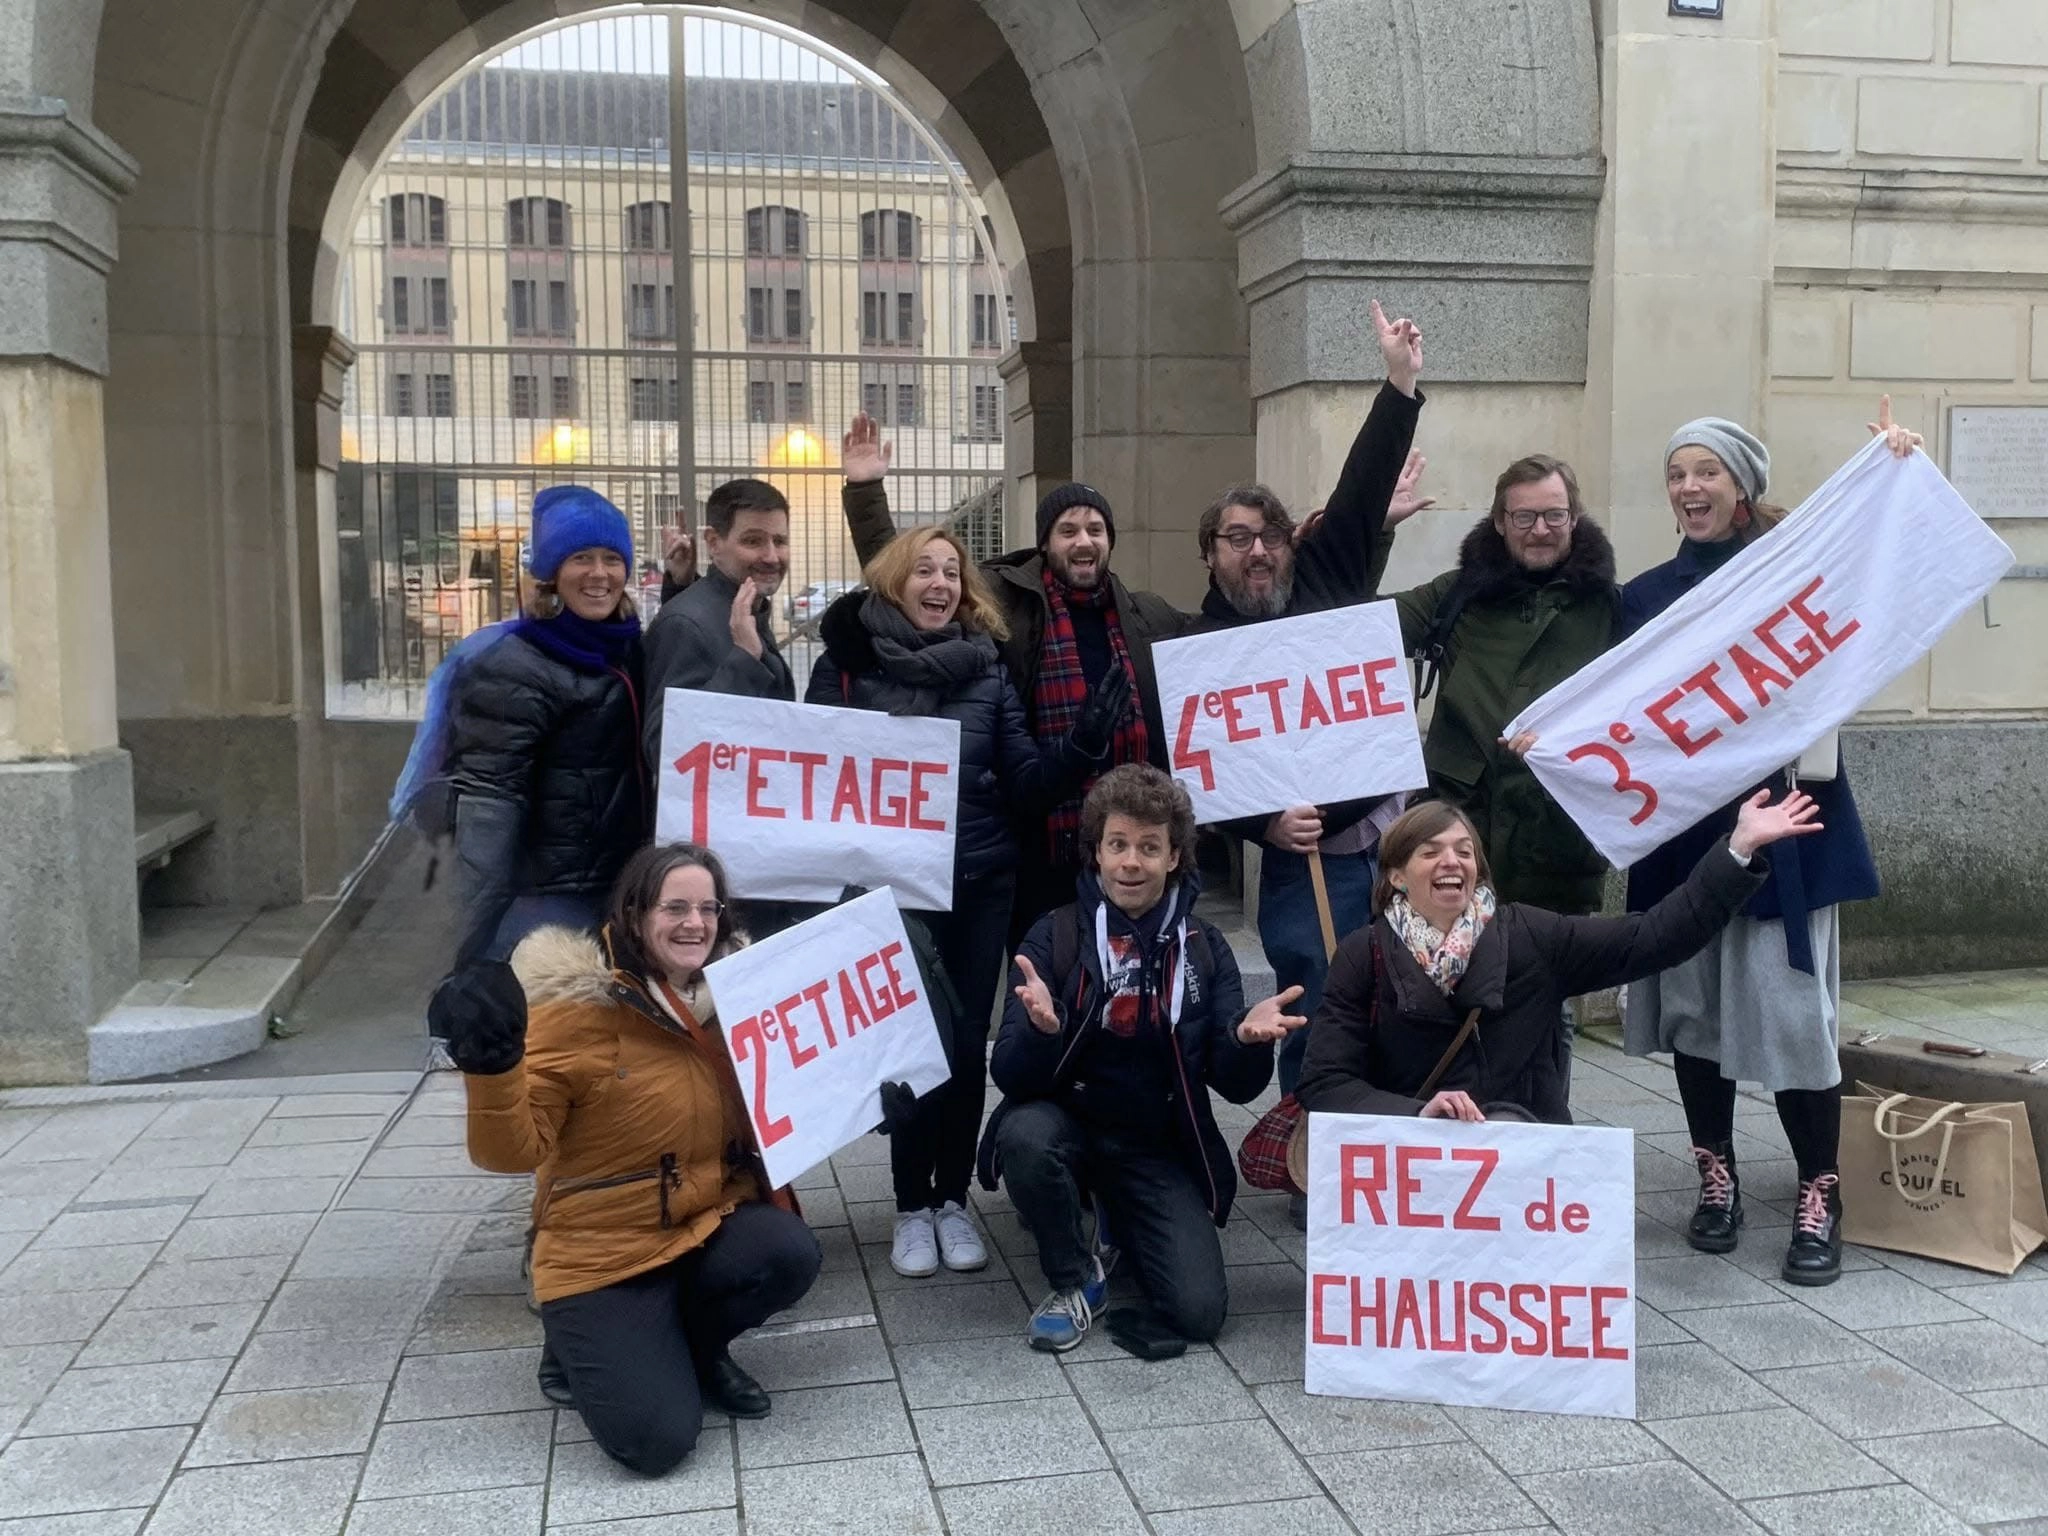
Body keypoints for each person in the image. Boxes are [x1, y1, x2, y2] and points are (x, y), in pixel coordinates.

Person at [1614, 404, 1917, 1286]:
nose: (1688, 487)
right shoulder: (1643, 598)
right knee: (1696, 1016)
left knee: (1792, 1026)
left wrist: (1889, 469)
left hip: (1789, 828)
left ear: (1742, 487)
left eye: (1706, 471)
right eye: (1677, 474)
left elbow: (1882, 576)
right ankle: (1717, 1175)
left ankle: (1820, 1191)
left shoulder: (1796, 574)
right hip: (1686, 842)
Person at [430, 843, 821, 1477]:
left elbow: (785, 1104)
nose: (695, 923)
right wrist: (493, 1068)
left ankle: (696, 1347)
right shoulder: (576, 1011)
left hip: (701, 1222)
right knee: (655, 1444)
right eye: (675, 907)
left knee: (789, 1253)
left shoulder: (736, 1000)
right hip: (600, 1251)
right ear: (635, 913)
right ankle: (573, 1344)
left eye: (707, 907)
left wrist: (868, 1088)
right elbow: (511, 1151)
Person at [806, 526, 1126, 1279]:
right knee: (910, 1046)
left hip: (979, 883)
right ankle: (910, 1207)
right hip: (890, 894)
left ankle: (952, 1199)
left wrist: (1082, 744)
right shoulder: (845, 670)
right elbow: (812, 772)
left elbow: (1023, 781)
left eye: (952, 572)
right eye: (925, 569)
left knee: (961, 1046)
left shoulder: (987, 673)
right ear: (894, 581)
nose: (941, 583)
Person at [1186, 300, 1425, 1130]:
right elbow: (1205, 769)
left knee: (1395, 992)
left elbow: (1361, 486)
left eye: (1271, 536)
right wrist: (1264, 824)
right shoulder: (1202, 646)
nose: (1259, 551)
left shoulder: (1327, 572)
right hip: (1298, 858)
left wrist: (1398, 383)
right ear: (1212, 552)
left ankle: (1384, 1137)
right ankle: (1308, 1152)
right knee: (1309, 996)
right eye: (1238, 537)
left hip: (1381, 842)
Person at [979, 766, 1308, 1350]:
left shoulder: (1205, 949)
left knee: (1200, 1315)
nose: (1132, 862)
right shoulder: (1054, 937)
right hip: (1068, 1123)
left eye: (1149, 848)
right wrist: (1042, 1033)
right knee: (1025, 1137)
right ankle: (1076, 1278)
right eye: (1118, 845)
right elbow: (1009, 1073)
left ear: (1175, 856)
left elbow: (1233, 1088)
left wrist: (1245, 1041)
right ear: (1097, 854)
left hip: (1155, 1140)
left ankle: (1118, 1220)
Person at [835, 415, 1186, 939]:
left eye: (1094, 530)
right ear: (1047, 543)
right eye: (1067, 531)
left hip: (1130, 842)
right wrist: (865, 492)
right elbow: (909, 579)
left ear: (1110, 541)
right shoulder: (1007, 601)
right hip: (1041, 838)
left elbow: (1223, 649)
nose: (1083, 541)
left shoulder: (1147, 615)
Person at [1295, 792, 1819, 1126]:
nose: (1451, 862)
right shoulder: (1364, 954)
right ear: (1395, 876)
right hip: (1405, 1152)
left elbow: (1654, 938)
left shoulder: (1530, 935)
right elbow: (1325, 1083)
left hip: (1516, 1136)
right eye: (1430, 852)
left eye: (1463, 850)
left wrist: (1737, 852)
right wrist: (1417, 1114)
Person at [1388, 454, 1620, 919]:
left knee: (1543, 990)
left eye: (1554, 515)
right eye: (1524, 517)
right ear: (1499, 521)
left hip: (1556, 850)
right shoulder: (1454, 595)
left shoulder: (1610, 608)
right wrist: (1375, 528)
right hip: (1459, 847)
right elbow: (1350, 631)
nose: (1540, 530)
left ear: (1573, 518)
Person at [444, 486, 647, 963]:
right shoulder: (513, 665)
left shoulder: (625, 647)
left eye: (611, 559)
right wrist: (471, 950)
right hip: (553, 896)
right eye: (580, 557)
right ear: (551, 573)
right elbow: (488, 807)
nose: (599, 574)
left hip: (619, 882)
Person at [641, 477, 794, 768]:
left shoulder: (745, 610)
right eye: (753, 541)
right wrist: (745, 661)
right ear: (713, 542)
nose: (772, 556)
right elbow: (666, 748)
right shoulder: (686, 624)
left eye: (780, 541)